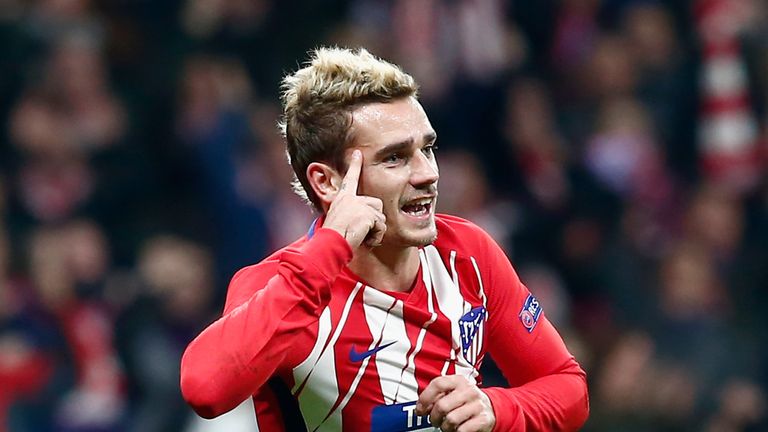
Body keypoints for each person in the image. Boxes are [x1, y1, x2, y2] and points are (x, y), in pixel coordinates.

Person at [180, 47, 589, 432]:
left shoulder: (467, 254)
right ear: (327, 181)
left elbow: (568, 387)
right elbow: (205, 389)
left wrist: (497, 408)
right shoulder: (278, 286)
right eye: (394, 157)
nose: (427, 173)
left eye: (427, 149)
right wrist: (330, 249)